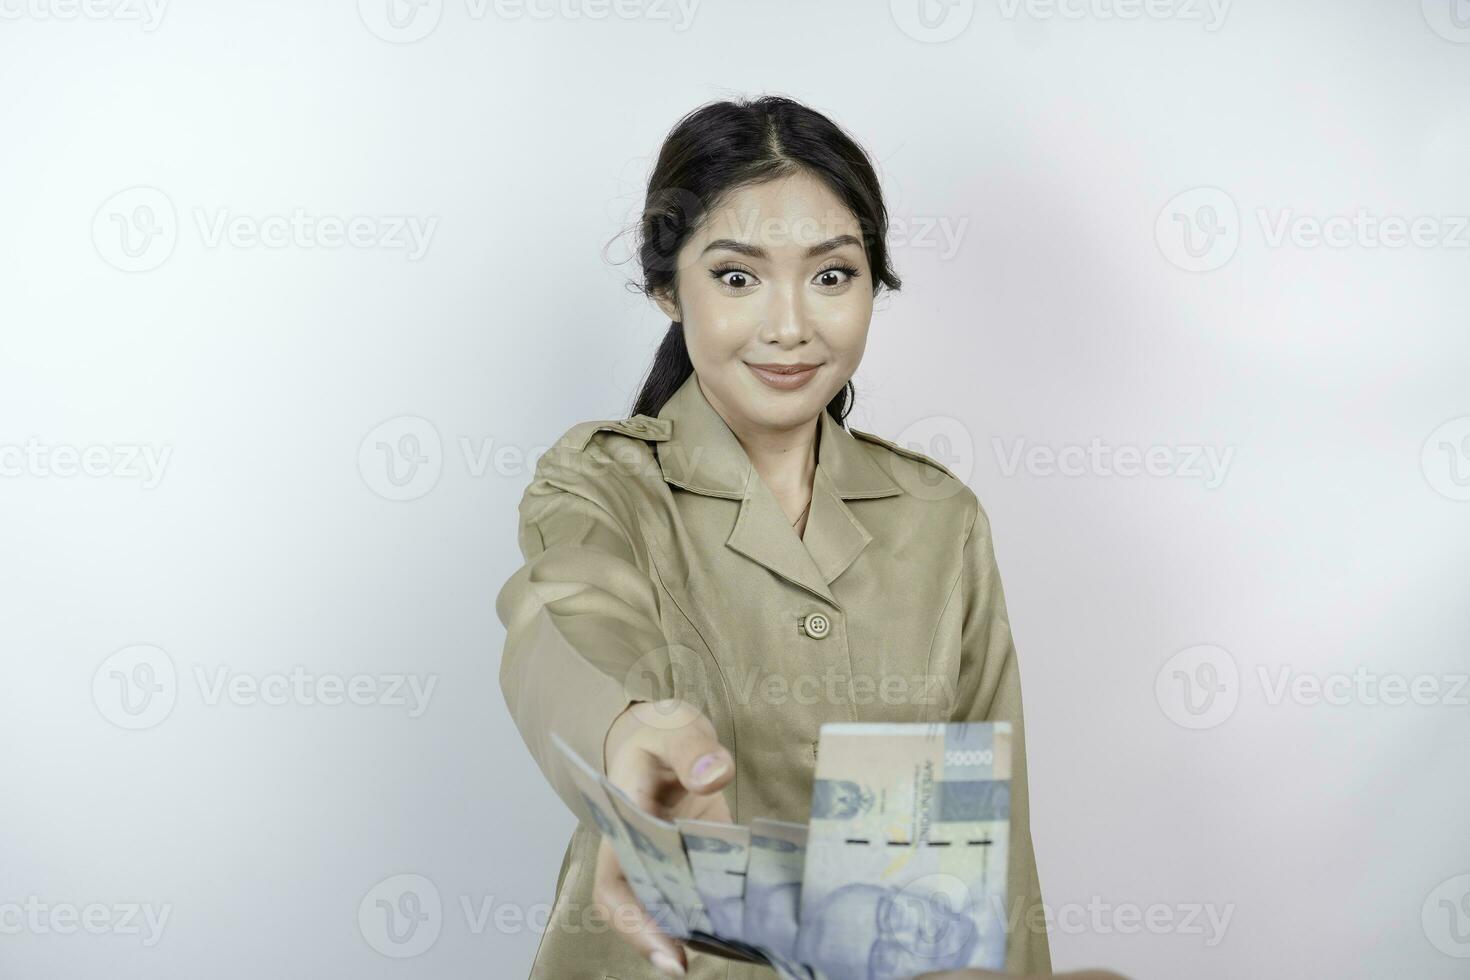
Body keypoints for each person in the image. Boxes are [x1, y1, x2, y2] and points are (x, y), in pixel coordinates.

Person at [495, 95, 1049, 979]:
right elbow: (560, 623)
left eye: (831, 275)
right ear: (667, 289)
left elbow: (990, 860)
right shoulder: (603, 485)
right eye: (738, 277)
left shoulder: (941, 521)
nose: (790, 325)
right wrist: (628, 729)